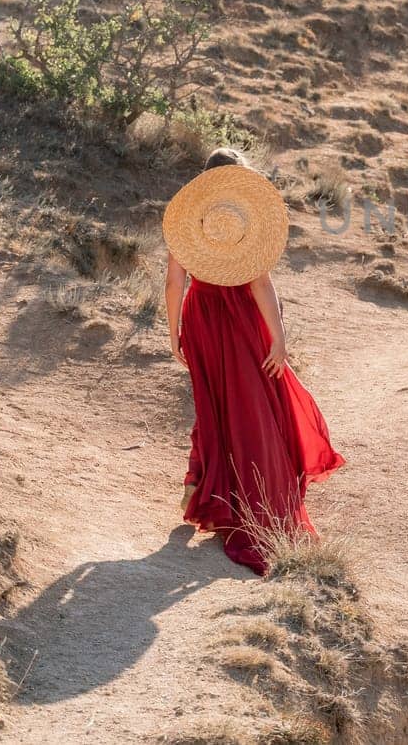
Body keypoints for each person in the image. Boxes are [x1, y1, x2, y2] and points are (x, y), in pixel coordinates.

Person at [162, 147, 344, 573]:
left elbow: (174, 282)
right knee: (253, 403)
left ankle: (198, 481)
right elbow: (261, 284)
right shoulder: (245, 217)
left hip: (200, 316)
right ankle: (231, 492)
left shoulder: (187, 218)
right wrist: (278, 338)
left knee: (213, 401)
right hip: (240, 317)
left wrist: (174, 332)